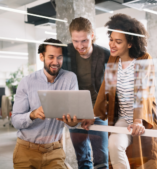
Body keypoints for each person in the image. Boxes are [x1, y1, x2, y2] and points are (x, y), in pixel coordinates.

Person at [82, 14, 157, 169]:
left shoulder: (144, 58)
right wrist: (93, 116)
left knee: (145, 162)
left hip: (144, 118)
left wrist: (138, 120)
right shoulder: (114, 60)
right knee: (114, 144)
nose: (112, 44)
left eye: (118, 41)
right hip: (124, 118)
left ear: (130, 43)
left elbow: (143, 90)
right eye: (111, 39)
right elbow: (106, 89)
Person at [11, 38, 80, 169]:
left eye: (59, 57)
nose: (55, 62)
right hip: (26, 151)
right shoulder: (27, 82)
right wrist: (33, 114)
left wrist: (72, 121)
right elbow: (15, 121)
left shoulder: (70, 78)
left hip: (54, 150)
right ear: (41, 57)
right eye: (51, 57)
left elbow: (73, 122)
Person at [61, 17, 110, 169]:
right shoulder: (66, 52)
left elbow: (111, 87)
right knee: (82, 157)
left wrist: (96, 113)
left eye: (84, 41)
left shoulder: (105, 54)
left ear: (92, 35)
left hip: (98, 110)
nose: (80, 46)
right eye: (76, 41)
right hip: (75, 110)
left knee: (101, 158)